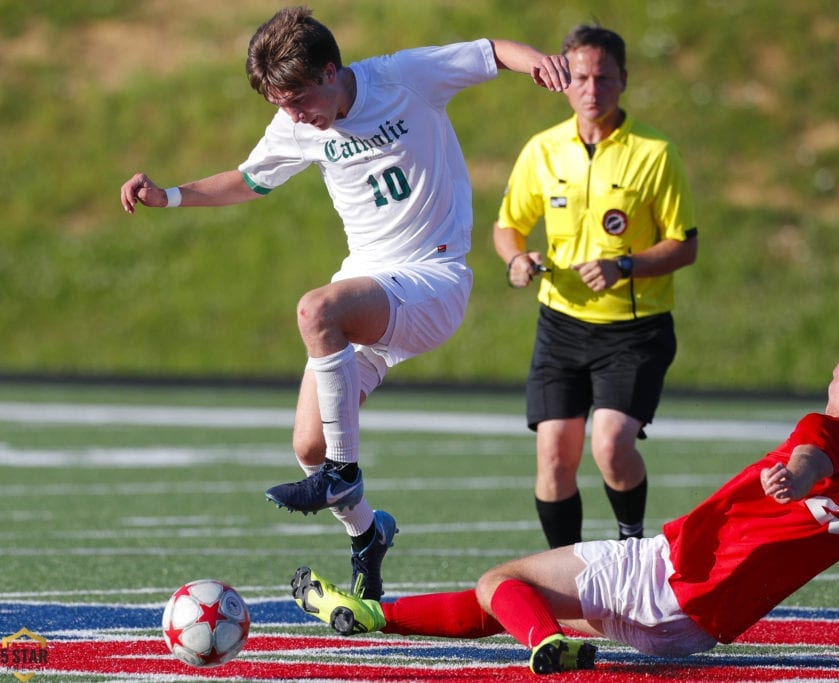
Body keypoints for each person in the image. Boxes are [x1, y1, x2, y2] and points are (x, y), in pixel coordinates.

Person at [119, 6, 571, 602]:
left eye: (299, 99)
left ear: (332, 71)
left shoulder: (403, 76)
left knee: (315, 311)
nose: (294, 116)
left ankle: (344, 472)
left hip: (431, 279)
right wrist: (169, 196)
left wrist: (537, 61)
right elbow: (250, 180)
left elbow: (488, 49)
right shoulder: (298, 123)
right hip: (368, 289)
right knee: (308, 445)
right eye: (280, 105)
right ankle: (367, 534)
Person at [288, 331, 839, 675]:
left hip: (667, 571)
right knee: (516, 598)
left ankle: (545, 645)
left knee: (500, 583)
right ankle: (375, 614)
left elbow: (814, 454)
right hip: (693, 631)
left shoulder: (823, 431)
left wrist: (798, 471)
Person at [491, 25, 698, 548]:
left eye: (603, 77)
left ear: (623, 81)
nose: (591, 89)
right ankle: (567, 573)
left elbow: (684, 244)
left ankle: (632, 545)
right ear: (564, 83)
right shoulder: (543, 150)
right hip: (560, 325)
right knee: (554, 456)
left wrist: (622, 266)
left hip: (633, 331)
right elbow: (507, 226)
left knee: (609, 445)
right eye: (580, 77)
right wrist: (517, 259)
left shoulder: (655, 153)